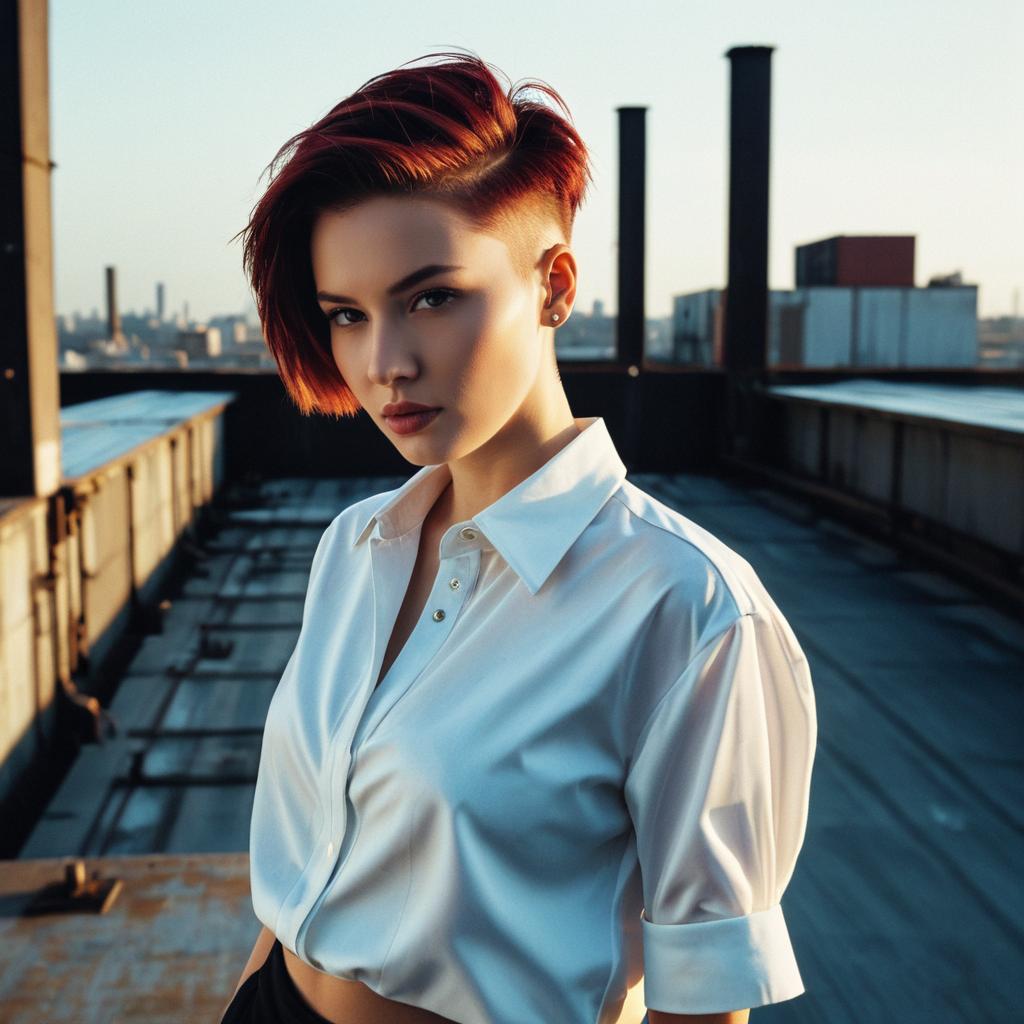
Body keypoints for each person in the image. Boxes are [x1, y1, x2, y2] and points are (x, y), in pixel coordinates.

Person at [221, 48, 817, 1024]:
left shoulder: (687, 609)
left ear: (554, 285)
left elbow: (704, 1001)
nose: (385, 364)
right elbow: (307, 872)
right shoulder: (355, 544)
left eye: (431, 297)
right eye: (346, 314)